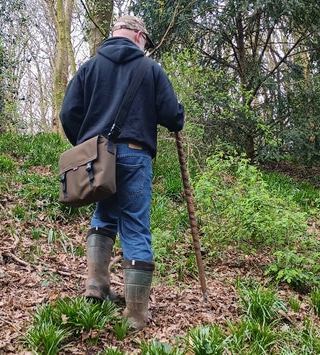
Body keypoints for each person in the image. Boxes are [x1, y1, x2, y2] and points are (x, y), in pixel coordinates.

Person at [59, 15, 185, 332]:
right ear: (140, 36)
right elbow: (172, 116)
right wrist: (178, 114)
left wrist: (88, 145)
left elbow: (67, 113)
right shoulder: (151, 69)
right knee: (136, 229)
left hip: (98, 157)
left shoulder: (90, 67)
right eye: (146, 41)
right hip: (134, 155)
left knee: (104, 214)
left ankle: (96, 288)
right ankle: (135, 315)